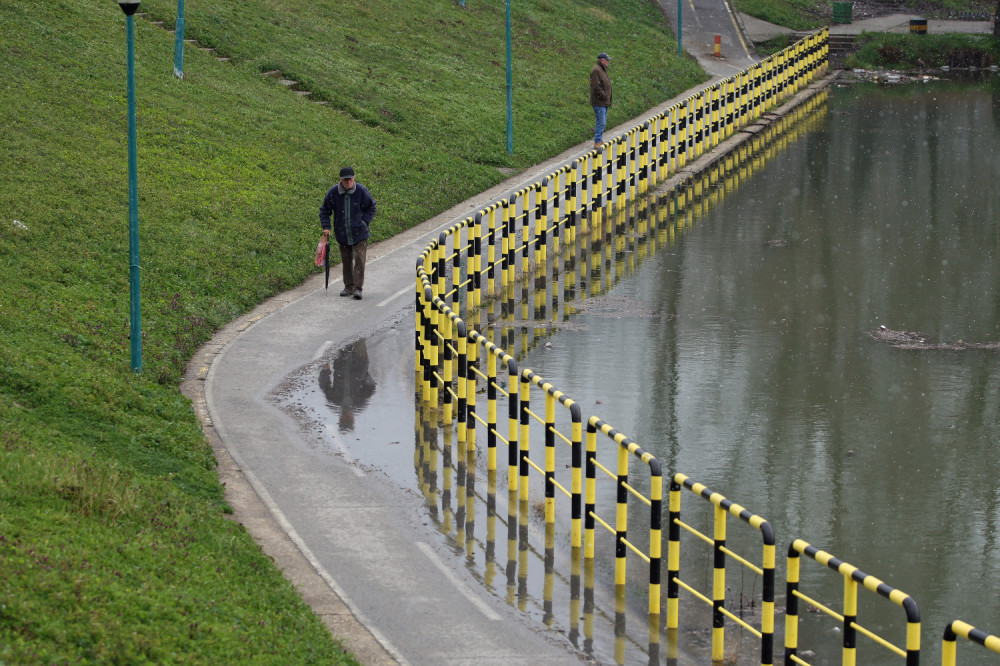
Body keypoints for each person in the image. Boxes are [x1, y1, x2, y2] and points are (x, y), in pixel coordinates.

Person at [319, 166, 377, 300]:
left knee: (359, 260)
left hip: (359, 233)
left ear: (354, 178)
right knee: (346, 261)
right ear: (340, 180)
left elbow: (371, 207)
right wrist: (326, 227)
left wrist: (364, 222)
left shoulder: (361, 191)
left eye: (350, 179)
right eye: (345, 180)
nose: (348, 182)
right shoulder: (333, 193)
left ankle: (358, 288)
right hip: (342, 234)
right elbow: (324, 211)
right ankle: (349, 286)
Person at [590, 52, 613, 149]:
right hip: (599, 101)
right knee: (601, 121)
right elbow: (596, 86)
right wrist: (603, 95)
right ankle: (597, 142)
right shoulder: (596, 70)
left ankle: (598, 139)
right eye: (607, 60)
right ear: (602, 60)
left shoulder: (601, 69)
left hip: (603, 101)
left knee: (601, 121)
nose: (608, 62)